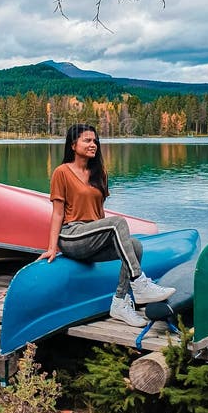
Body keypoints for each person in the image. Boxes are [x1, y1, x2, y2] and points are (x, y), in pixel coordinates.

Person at [39, 123, 175, 327]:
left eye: (95, 141)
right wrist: (51, 248)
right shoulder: (62, 172)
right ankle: (138, 282)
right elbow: (57, 213)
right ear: (73, 145)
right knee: (117, 222)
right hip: (71, 236)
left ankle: (119, 302)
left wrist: (105, 237)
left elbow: (99, 213)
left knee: (135, 245)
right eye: (87, 140)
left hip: (92, 236)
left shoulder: (99, 173)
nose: (93, 144)